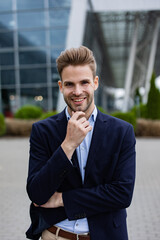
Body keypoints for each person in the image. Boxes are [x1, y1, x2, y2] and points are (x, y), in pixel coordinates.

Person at [26, 46, 136, 240]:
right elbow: (37, 194)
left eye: (84, 82)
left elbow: (122, 194)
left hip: (107, 235)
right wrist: (68, 145)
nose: (77, 92)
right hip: (56, 235)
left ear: (95, 83)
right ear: (60, 86)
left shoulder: (122, 131)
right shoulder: (42, 131)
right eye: (69, 84)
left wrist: (62, 199)